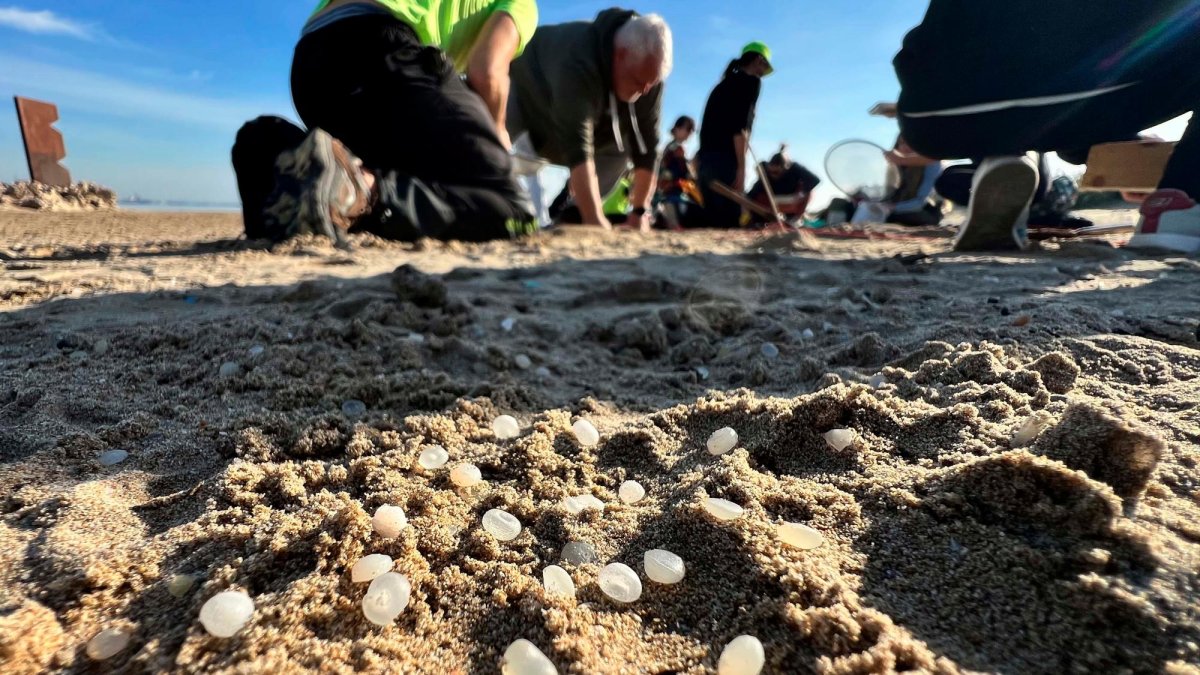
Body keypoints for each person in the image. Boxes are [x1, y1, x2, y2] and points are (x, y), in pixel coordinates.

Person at [894, 1, 1200, 252]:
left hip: (926, 106)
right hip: (1067, 87)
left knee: (958, 170)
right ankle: (1183, 201)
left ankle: (1002, 161)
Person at [233, 0, 540, 245]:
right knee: (512, 211)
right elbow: (486, 72)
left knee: (402, 167)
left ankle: (271, 153)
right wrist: (497, 139)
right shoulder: (520, 3)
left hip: (310, 62)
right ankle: (360, 191)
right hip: (381, 44)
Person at [506, 10, 672, 232]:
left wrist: (639, 212)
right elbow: (577, 144)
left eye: (651, 83)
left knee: (624, 146)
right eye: (639, 81)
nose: (644, 90)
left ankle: (572, 216)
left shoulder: (648, 78)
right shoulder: (577, 56)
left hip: (582, 130)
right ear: (620, 54)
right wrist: (595, 219)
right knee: (498, 99)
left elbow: (647, 149)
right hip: (527, 107)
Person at [695, 42, 773, 228]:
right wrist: (741, 167)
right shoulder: (751, 82)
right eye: (763, 67)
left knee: (713, 224)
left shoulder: (721, 85)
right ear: (758, 60)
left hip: (706, 162)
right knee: (729, 223)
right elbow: (739, 128)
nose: (762, 73)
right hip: (725, 162)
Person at [747, 145, 820, 225]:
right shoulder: (766, 174)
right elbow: (750, 196)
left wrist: (801, 194)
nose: (773, 175)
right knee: (755, 198)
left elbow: (814, 180)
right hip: (772, 202)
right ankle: (759, 221)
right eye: (771, 172)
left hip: (793, 201)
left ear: (786, 168)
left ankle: (796, 218)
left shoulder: (795, 169)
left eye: (776, 172)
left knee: (809, 190)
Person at [881, 137, 945, 227]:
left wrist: (892, 208)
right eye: (902, 143)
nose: (906, 147)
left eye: (912, 143)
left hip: (926, 211)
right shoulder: (895, 168)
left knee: (897, 216)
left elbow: (920, 202)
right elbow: (888, 197)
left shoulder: (932, 164)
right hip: (897, 209)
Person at [657, 115, 696, 229]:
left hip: (672, 193)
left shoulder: (670, 147)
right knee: (675, 225)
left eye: (691, 130)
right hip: (672, 194)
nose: (690, 133)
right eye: (688, 129)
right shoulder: (676, 149)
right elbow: (685, 173)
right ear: (678, 128)